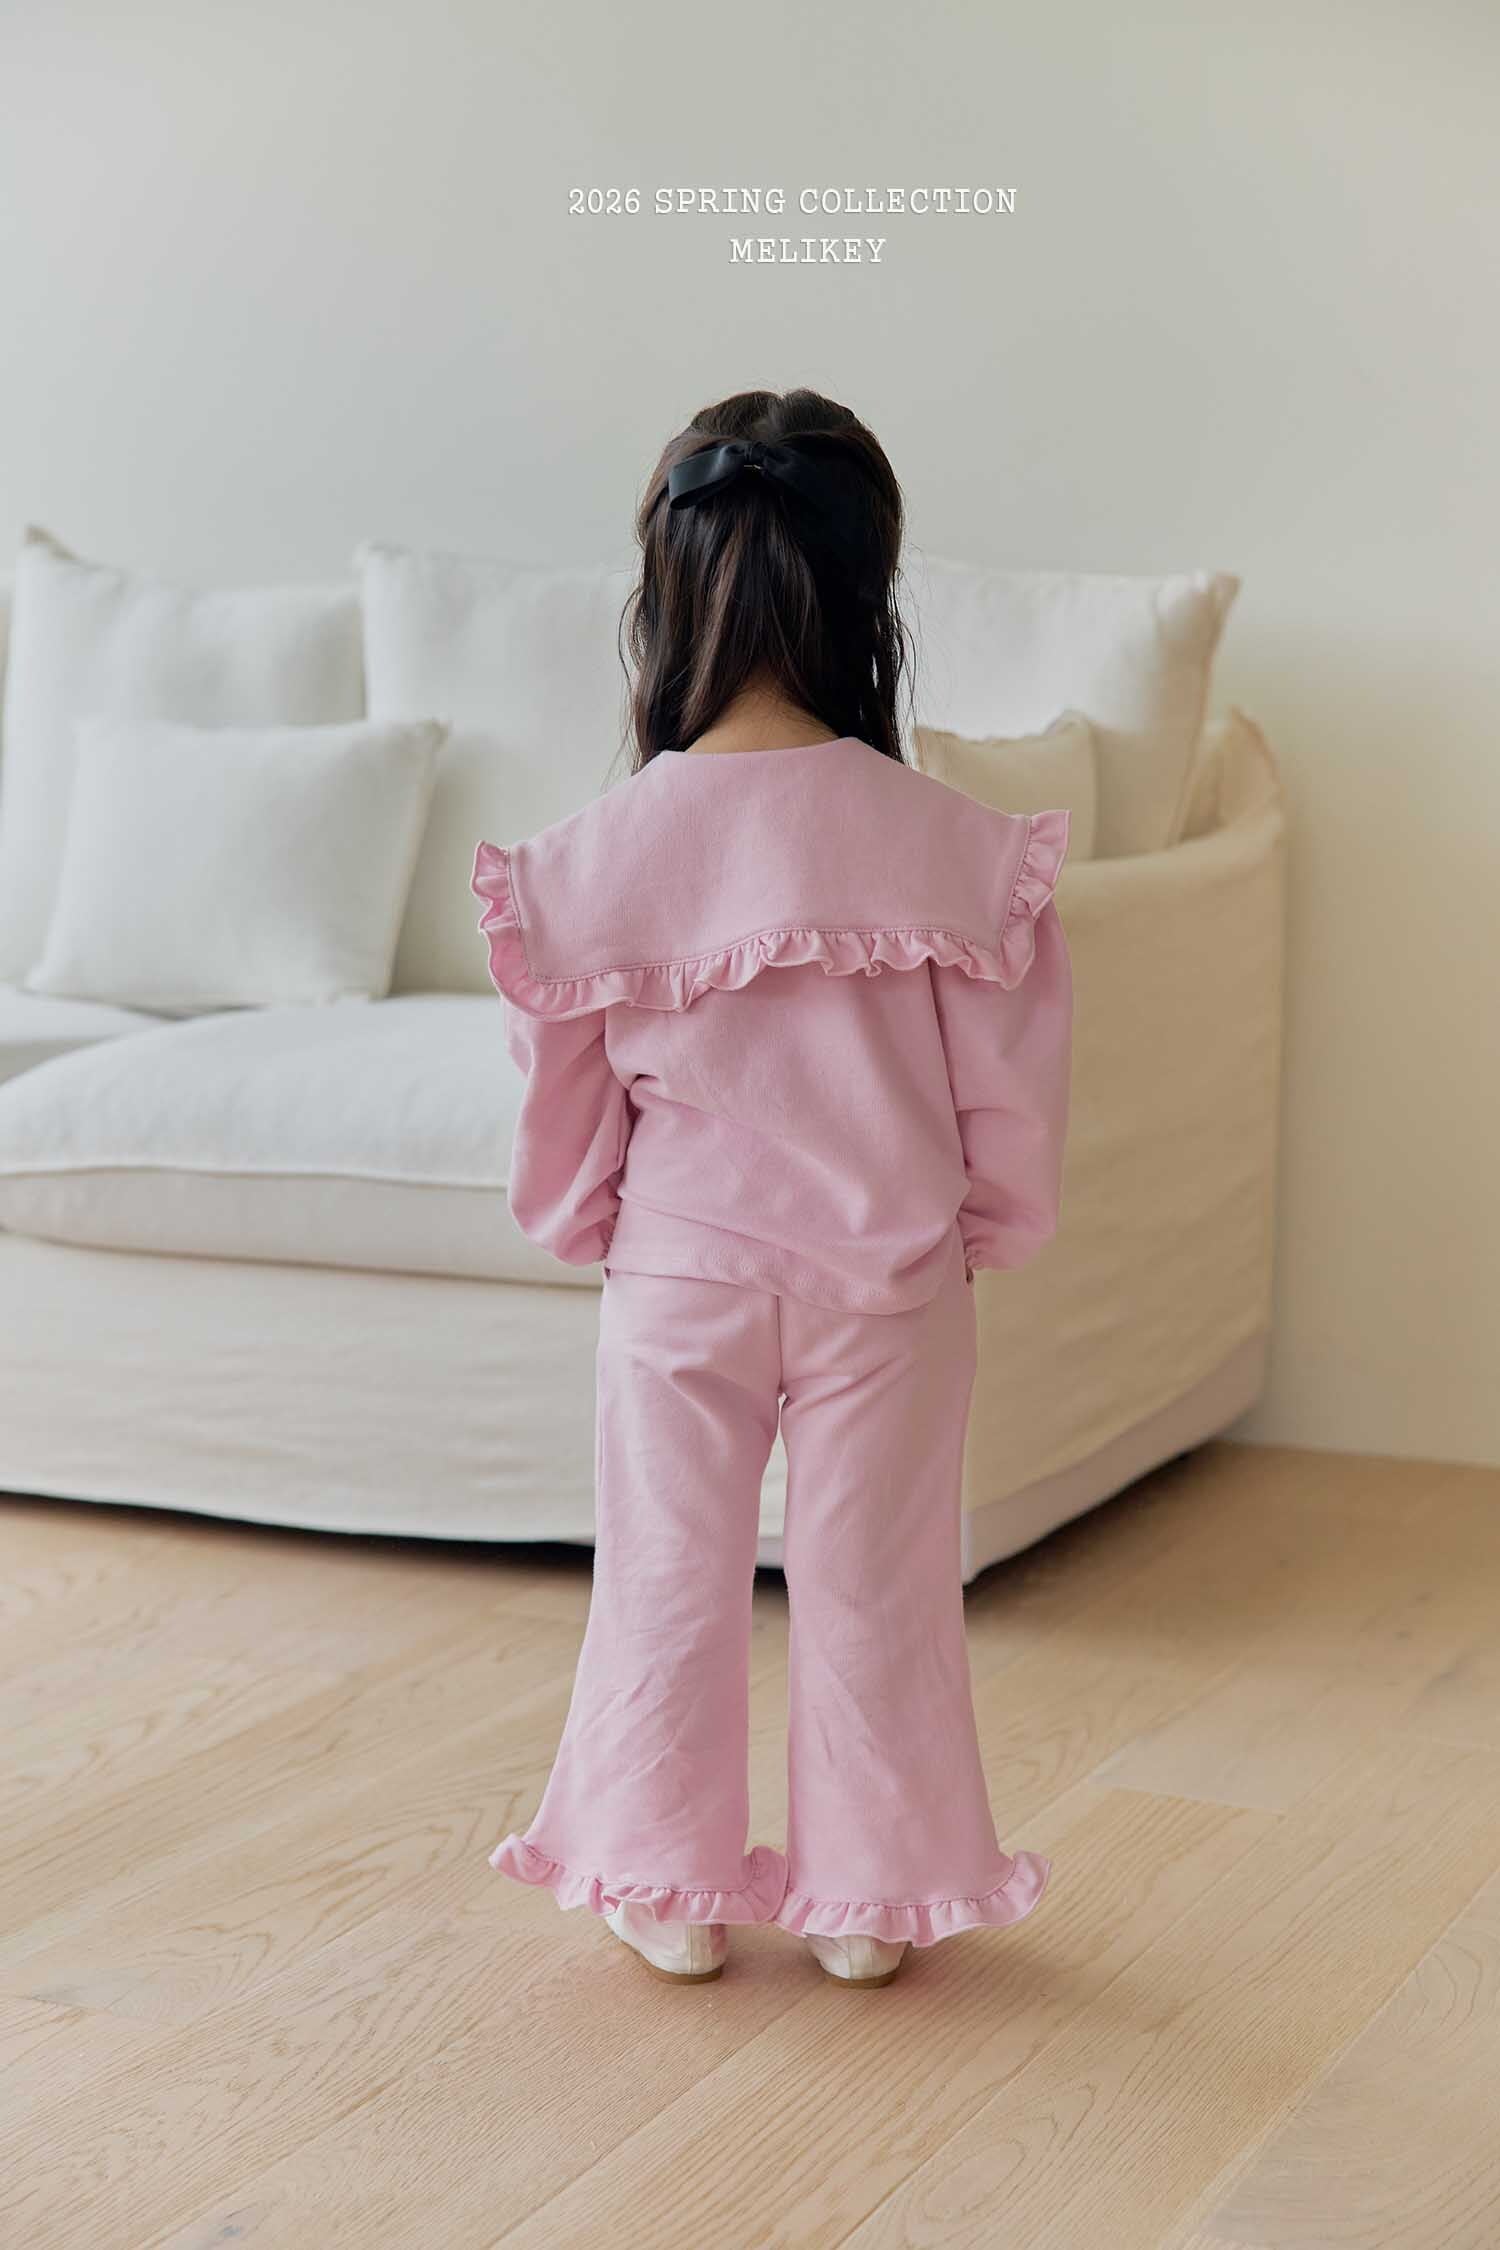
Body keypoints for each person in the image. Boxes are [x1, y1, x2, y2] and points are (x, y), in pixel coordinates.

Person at [470, 388, 1073, 1989]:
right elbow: (1008, 1090)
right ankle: (872, 1898)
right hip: (894, 1280)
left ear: (666, 598)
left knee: (664, 1582)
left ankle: (663, 1884)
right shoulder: (949, 844)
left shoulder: (592, 855)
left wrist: (589, 1229)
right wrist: (991, 1224)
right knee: (881, 1586)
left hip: (680, 1280)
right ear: (868, 596)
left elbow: (564, 1111)